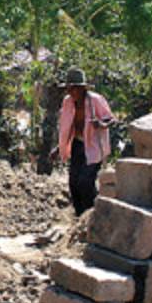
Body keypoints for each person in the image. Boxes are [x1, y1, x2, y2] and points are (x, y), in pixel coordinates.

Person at [55, 68, 115, 216]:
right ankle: (80, 217)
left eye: (75, 88)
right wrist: (59, 147)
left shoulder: (95, 100)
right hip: (77, 144)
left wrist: (101, 124)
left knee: (85, 182)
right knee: (73, 183)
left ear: (82, 88)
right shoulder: (68, 102)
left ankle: (92, 214)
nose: (72, 92)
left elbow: (110, 119)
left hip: (94, 146)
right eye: (70, 88)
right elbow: (66, 127)